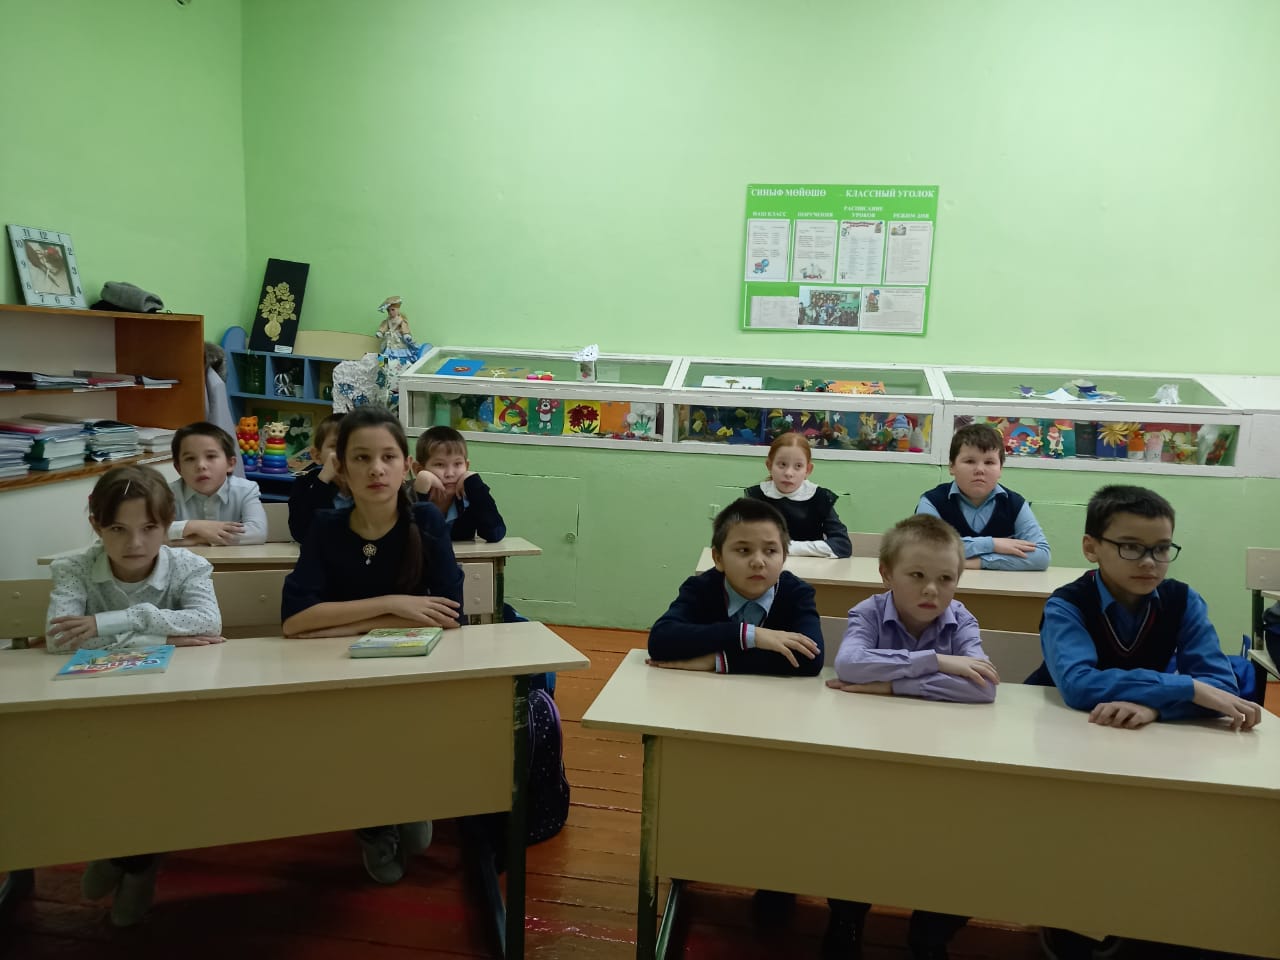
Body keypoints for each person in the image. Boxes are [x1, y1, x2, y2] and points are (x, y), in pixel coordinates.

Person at [1030, 484, 1260, 958]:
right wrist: (1184, 688)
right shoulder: (1066, 604)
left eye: (1161, 549)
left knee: (1160, 830)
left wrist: (1156, 705)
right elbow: (1078, 684)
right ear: (1091, 547)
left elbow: (1221, 685)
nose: (1150, 562)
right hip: (1067, 741)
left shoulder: (1182, 600)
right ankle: (1069, 919)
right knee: (1080, 834)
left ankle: (1139, 914)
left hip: (1144, 736)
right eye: (1131, 547)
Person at [281, 405, 464, 885]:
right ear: (341, 468)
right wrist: (393, 606)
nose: (376, 469)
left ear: (407, 467)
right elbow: (295, 622)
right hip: (339, 673)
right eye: (361, 458)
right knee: (352, 740)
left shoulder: (426, 521)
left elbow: (450, 614)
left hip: (413, 670)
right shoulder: (326, 527)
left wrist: (343, 620)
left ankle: (409, 797)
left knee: (407, 733)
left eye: (388, 457)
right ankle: (374, 827)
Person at [44, 464, 224, 926]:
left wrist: (113, 623)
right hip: (96, 709)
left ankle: (135, 863)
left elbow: (207, 623)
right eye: (117, 530)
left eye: (149, 528)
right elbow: (60, 640)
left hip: (174, 708)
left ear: (168, 525)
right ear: (96, 526)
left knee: (160, 770)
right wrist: (163, 638)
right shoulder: (73, 567)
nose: (135, 543)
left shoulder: (188, 565)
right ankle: (124, 853)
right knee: (106, 772)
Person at [825, 515, 997, 959]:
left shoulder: (962, 619)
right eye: (916, 575)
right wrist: (936, 662)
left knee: (954, 840)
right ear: (886, 574)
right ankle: (847, 915)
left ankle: (931, 930)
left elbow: (983, 688)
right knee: (856, 830)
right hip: (872, 754)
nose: (931, 591)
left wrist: (892, 685)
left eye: (946, 579)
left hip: (942, 760)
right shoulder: (868, 612)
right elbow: (850, 666)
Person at [648, 497, 822, 676]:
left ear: (784, 557)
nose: (758, 562)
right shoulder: (701, 588)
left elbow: (811, 659)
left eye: (770, 551)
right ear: (718, 558)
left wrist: (717, 661)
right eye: (744, 550)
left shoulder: (797, 593)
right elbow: (660, 641)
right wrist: (750, 635)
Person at [915, 422, 1050, 571]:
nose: (980, 469)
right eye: (970, 461)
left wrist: (979, 562)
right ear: (952, 466)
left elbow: (1041, 556)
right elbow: (925, 549)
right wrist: (993, 544)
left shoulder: (1015, 504)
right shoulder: (932, 501)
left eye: (989, 462)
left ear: (1000, 469)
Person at [744, 432, 852, 558]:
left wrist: (789, 548)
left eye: (798, 466)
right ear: (769, 465)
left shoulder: (819, 498)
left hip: (811, 568)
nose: (789, 473)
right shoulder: (756, 497)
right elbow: (742, 540)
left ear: (808, 470)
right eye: (782, 464)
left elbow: (842, 545)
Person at [168, 421, 268, 545]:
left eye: (210, 456)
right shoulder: (168, 494)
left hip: (232, 558)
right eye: (190, 458)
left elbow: (258, 532)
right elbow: (153, 531)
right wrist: (194, 526)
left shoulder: (245, 490)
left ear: (230, 464)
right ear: (178, 468)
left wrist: (199, 538)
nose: (201, 465)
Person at [411, 425, 506, 542]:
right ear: (419, 470)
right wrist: (420, 494)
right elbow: (406, 539)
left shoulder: (469, 495)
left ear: (466, 466)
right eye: (439, 464)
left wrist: (474, 482)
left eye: (458, 464)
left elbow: (495, 533)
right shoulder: (406, 495)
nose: (450, 474)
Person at [287, 412, 349, 541]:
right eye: (335, 446)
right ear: (317, 455)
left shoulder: (368, 484)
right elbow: (300, 533)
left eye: (351, 446)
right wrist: (322, 481)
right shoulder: (304, 484)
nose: (343, 453)